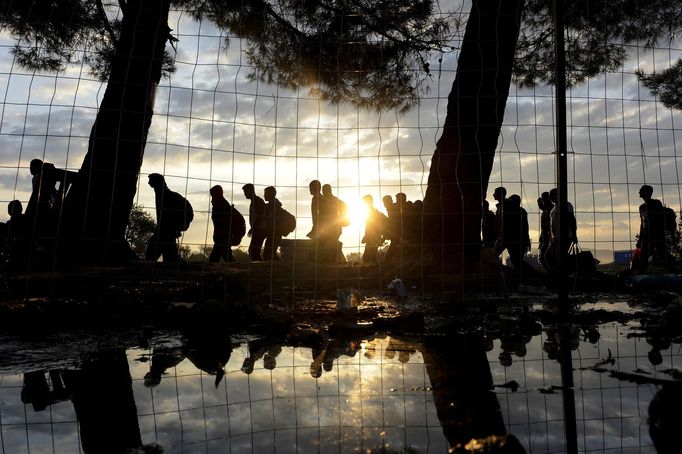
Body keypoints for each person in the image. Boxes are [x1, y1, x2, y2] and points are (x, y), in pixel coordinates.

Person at [145, 173, 193, 262]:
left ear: (156, 182)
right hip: (167, 229)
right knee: (169, 253)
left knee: (157, 248)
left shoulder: (166, 195)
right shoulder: (162, 194)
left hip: (167, 228)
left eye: (150, 180)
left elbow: (166, 216)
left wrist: (175, 226)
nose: (148, 183)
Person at [635, 184, 675, 273]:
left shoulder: (656, 203)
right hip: (646, 235)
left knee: (662, 254)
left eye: (641, 190)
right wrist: (640, 240)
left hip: (657, 234)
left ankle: (673, 272)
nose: (639, 192)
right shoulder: (642, 207)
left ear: (647, 193)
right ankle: (642, 273)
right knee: (643, 256)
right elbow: (642, 224)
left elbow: (659, 219)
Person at [209, 185, 245, 263]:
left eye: (212, 195)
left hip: (224, 236)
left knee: (215, 257)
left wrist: (231, 235)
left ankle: (212, 272)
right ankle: (234, 269)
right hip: (224, 236)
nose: (211, 198)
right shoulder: (221, 205)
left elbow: (223, 224)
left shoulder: (222, 206)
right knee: (225, 255)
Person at [493, 187, 525, 271]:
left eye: (495, 193)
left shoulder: (506, 206)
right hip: (506, 237)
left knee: (515, 260)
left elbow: (505, 222)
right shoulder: (502, 206)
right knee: (515, 260)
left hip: (506, 237)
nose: (493, 195)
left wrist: (500, 235)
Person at [547, 187, 577, 272]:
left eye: (553, 195)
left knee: (558, 257)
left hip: (566, 236)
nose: (551, 197)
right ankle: (558, 273)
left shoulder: (566, 205)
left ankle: (561, 274)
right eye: (551, 196)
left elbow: (571, 220)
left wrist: (574, 235)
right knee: (550, 257)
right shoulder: (553, 209)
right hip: (556, 238)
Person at [322, 184, 348, 263]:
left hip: (335, 228)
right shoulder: (325, 200)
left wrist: (340, 220)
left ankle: (339, 261)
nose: (323, 193)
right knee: (329, 245)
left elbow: (345, 207)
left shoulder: (334, 200)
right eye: (323, 191)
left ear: (329, 191)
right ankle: (340, 260)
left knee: (329, 245)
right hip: (328, 229)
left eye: (325, 191)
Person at [242, 183, 267, 261]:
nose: (245, 194)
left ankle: (261, 268)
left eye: (246, 192)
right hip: (258, 229)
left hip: (260, 229)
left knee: (253, 251)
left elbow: (260, 216)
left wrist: (253, 228)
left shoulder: (257, 201)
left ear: (251, 191)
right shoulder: (255, 201)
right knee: (253, 251)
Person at [361, 194, 386, 264]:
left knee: (368, 258)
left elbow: (373, 227)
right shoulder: (372, 212)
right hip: (371, 239)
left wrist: (367, 236)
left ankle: (374, 273)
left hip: (372, 239)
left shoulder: (374, 213)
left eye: (364, 202)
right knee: (368, 258)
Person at [263, 186, 283, 261]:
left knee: (267, 254)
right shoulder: (275, 206)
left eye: (265, 193)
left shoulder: (272, 207)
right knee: (270, 254)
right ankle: (280, 266)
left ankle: (280, 267)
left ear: (270, 194)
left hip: (275, 233)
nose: (264, 195)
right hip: (275, 233)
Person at [538, 192, 554, 271]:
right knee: (543, 258)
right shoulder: (546, 211)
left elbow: (548, 227)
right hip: (546, 238)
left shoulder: (551, 210)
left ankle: (552, 272)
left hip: (550, 239)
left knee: (544, 257)